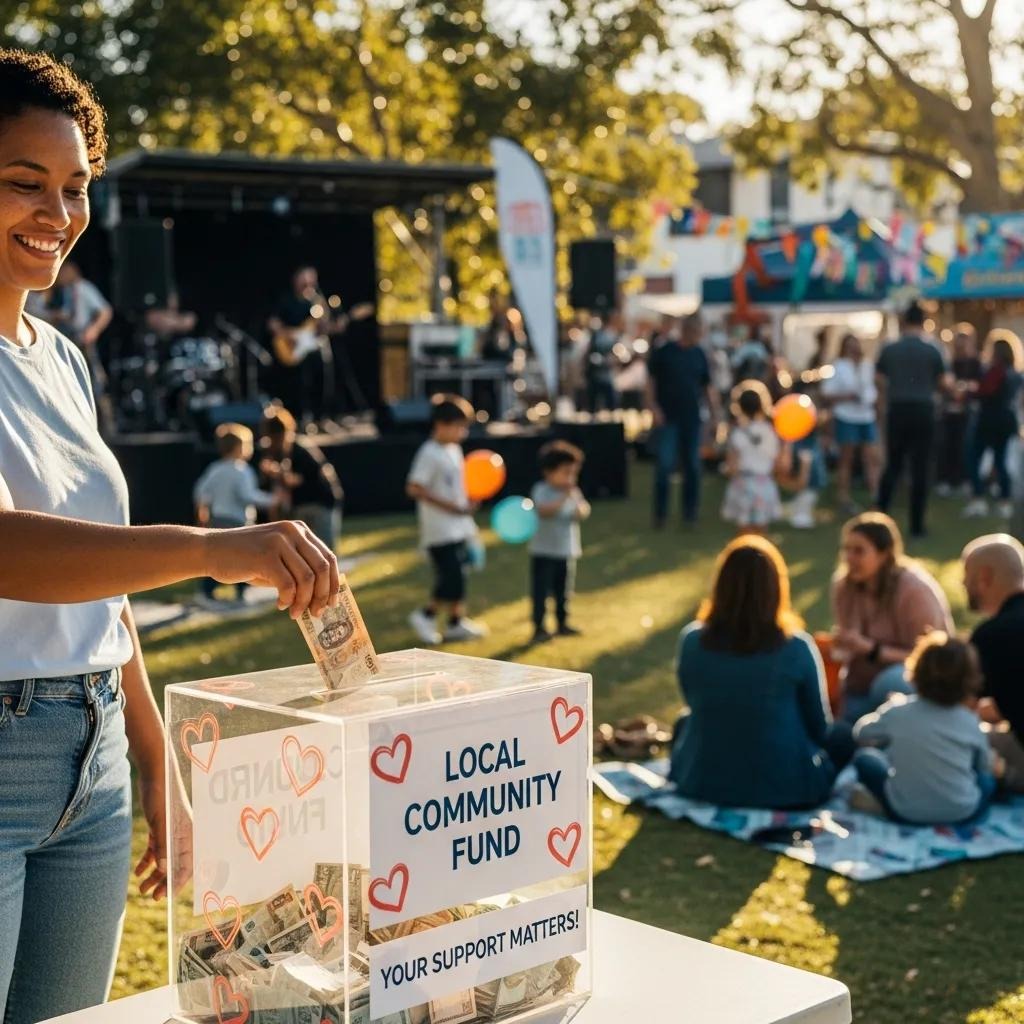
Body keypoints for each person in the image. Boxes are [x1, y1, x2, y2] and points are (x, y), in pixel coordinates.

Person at [0, 48, 339, 1024]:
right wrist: (210, 546)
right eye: (25, 184)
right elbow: (8, 550)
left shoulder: (62, 358)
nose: (58, 214)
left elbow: (100, 581)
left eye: (76, 187)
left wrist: (150, 757)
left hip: (94, 752)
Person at [668, 535, 854, 808]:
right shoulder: (797, 647)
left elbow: (693, 700)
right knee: (844, 737)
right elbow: (818, 728)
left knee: (685, 721)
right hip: (785, 789)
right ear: (777, 588)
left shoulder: (692, 640)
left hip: (700, 783)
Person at [852, 633, 997, 825]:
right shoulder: (970, 722)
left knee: (865, 759)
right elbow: (983, 766)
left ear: (917, 669)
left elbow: (860, 732)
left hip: (904, 811)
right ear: (969, 679)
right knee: (988, 781)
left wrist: (888, 710)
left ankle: (877, 802)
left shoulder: (899, 712)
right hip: (962, 812)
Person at [831, 512, 954, 722]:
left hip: (914, 683)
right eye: (846, 550)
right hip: (860, 683)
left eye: (859, 551)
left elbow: (932, 659)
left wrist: (872, 650)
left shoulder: (914, 591)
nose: (849, 558)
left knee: (889, 681)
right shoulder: (844, 587)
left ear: (884, 554)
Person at [406, 394, 487, 645]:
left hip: (459, 527)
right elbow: (414, 488)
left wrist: (469, 501)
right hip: (439, 529)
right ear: (441, 425)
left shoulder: (454, 449)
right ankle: (425, 615)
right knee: (450, 576)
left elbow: (458, 486)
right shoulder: (429, 453)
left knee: (460, 575)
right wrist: (451, 507)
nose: (463, 433)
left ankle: (455, 623)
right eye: (459, 427)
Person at [875, 302, 949, 539]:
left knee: (893, 465)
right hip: (923, 410)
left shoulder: (890, 348)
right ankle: (917, 526)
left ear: (904, 321)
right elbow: (943, 382)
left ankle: (881, 517)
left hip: (897, 409)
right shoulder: (932, 349)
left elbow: (878, 378)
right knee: (921, 468)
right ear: (924, 321)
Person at [193, 423, 280, 608]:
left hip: (216, 521)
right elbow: (248, 495)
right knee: (243, 559)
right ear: (240, 447)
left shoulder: (214, 469)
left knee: (217, 558)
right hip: (237, 523)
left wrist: (202, 513)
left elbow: (200, 492)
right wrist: (273, 500)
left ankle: (207, 592)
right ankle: (241, 594)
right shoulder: (242, 470)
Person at [962, 533, 1024, 792]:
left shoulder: (992, 636)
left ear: (984, 577)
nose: (962, 584)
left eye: (966, 577)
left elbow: (958, 711)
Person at [646, 311, 718, 527]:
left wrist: (715, 414)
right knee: (665, 466)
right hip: (668, 418)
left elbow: (707, 387)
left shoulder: (699, 354)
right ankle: (660, 515)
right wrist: (653, 408)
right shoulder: (664, 352)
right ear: (687, 330)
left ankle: (690, 513)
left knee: (693, 468)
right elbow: (650, 383)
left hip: (692, 418)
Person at [258, 404, 344, 552]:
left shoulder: (299, 449)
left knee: (323, 552)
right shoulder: (278, 451)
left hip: (319, 503)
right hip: (301, 506)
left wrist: (275, 472)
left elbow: (297, 479)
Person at [529, 441, 591, 643]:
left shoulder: (573, 492)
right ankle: (539, 627)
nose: (570, 478)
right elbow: (544, 511)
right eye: (566, 473)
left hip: (565, 551)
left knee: (563, 591)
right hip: (543, 551)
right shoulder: (541, 490)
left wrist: (578, 507)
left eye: (573, 473)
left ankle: (562, 623)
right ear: (549, 472)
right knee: (541, 592)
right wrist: (564, 498)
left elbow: (583, 510)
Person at [964, 330, 1022, 519]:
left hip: (989, 422)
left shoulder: (996, 371)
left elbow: (984, 391)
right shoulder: (1015, 374)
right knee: (1000, 461)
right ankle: (1004, 502)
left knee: (974, 458)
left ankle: (979, 499)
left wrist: (967, 391)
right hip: (1006, 422)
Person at [821, 333, 880, 515]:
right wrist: (847, 396)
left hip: (866, 415)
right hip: (846, 415)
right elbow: (827, 392)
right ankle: (843, 497)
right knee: (846, 457)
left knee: (870, 457)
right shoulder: (838, 366)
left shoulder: (867, 366)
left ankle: (876, 496)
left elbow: (873, 389)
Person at [720, 380, 782, 533]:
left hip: (743, 484)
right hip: (765, 483)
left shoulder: (737, 433)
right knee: (762, 533)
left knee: (744, 533)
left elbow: (731, 466)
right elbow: (778, 462)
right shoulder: (771, 432)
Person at [936, 324, 981, 497]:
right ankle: (947, 481)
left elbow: (979, 387)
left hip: (968, 412)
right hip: (949, 411)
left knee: (965, 447)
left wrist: (965, 389)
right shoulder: (950, 363)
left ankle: (963, 480)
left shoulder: (976, 363)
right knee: (947, 446)